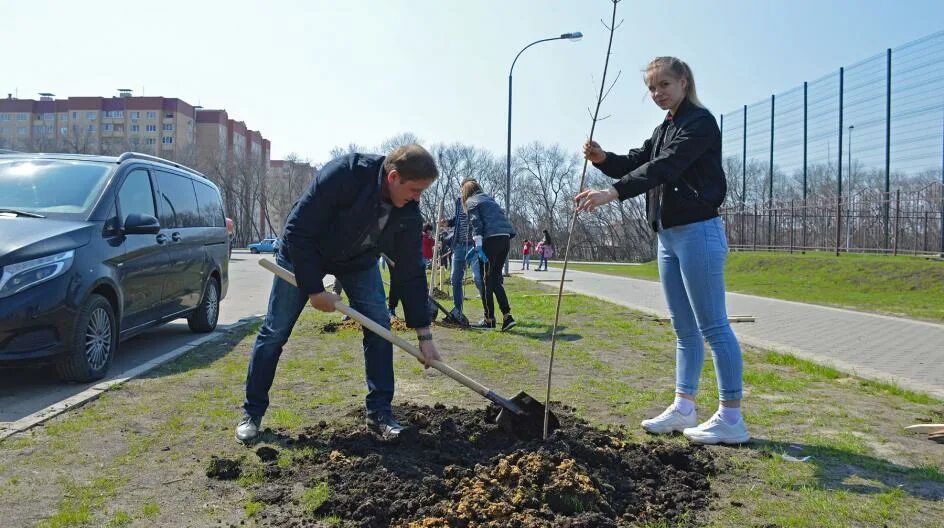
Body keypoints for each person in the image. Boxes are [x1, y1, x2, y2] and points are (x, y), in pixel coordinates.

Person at [575, 56, 748, 445]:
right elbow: (639, 161)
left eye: (663, 85)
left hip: (698, 232)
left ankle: (731, 417)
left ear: (684, 81)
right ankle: (683, 407)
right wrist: (604, 161)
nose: (657, 93)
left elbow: (665, 168)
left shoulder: (699, 123)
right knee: (683, 330)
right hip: (667, 236)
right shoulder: (664, 127)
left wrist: (612, 193)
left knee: (714, 326)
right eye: (651, 88)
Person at [237, 144, 442, 444]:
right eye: (414, 189)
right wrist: (314, 290)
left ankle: (380, 414)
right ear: (393, 177)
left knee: (379, 330)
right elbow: (297, 231)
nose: (417, 198)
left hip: (357, 262)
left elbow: (410, 272)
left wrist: (424, 335)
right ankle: (252, 413)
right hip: (302, 253)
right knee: (275, 332)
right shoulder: (345, 175)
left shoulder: (408, 212)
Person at [462, 179, 517, 331]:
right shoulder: (489, 200)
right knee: (494, 279)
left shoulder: (472, 201)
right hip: (504, 239)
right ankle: (507, 316)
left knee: (487, 281)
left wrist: (478, 245)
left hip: (490, 241)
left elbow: (476, 223)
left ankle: (489, 320)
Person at [440, 179, 485, 322]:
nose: (462, 192)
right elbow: (457, 219)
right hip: (458, 246)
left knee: (478, 278)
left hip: (473, 245)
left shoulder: (479, 201)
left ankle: (487, 312)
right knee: (455, 279)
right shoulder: (459, 201)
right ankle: (457, 311)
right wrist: (447, 222)